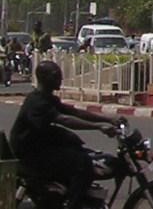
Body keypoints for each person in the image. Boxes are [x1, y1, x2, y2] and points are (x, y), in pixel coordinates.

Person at [8, 60, 122, 209]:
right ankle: (72, 204)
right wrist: (98, 127)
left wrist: (108, 119)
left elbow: (73, 112)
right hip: (30, 154)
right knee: (83, 163)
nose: (59, 79)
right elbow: (65, 120)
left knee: (85, 154)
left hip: (41, 149)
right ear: (44, 78)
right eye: (55, 76)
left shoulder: (48, 98)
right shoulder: (37, 102)